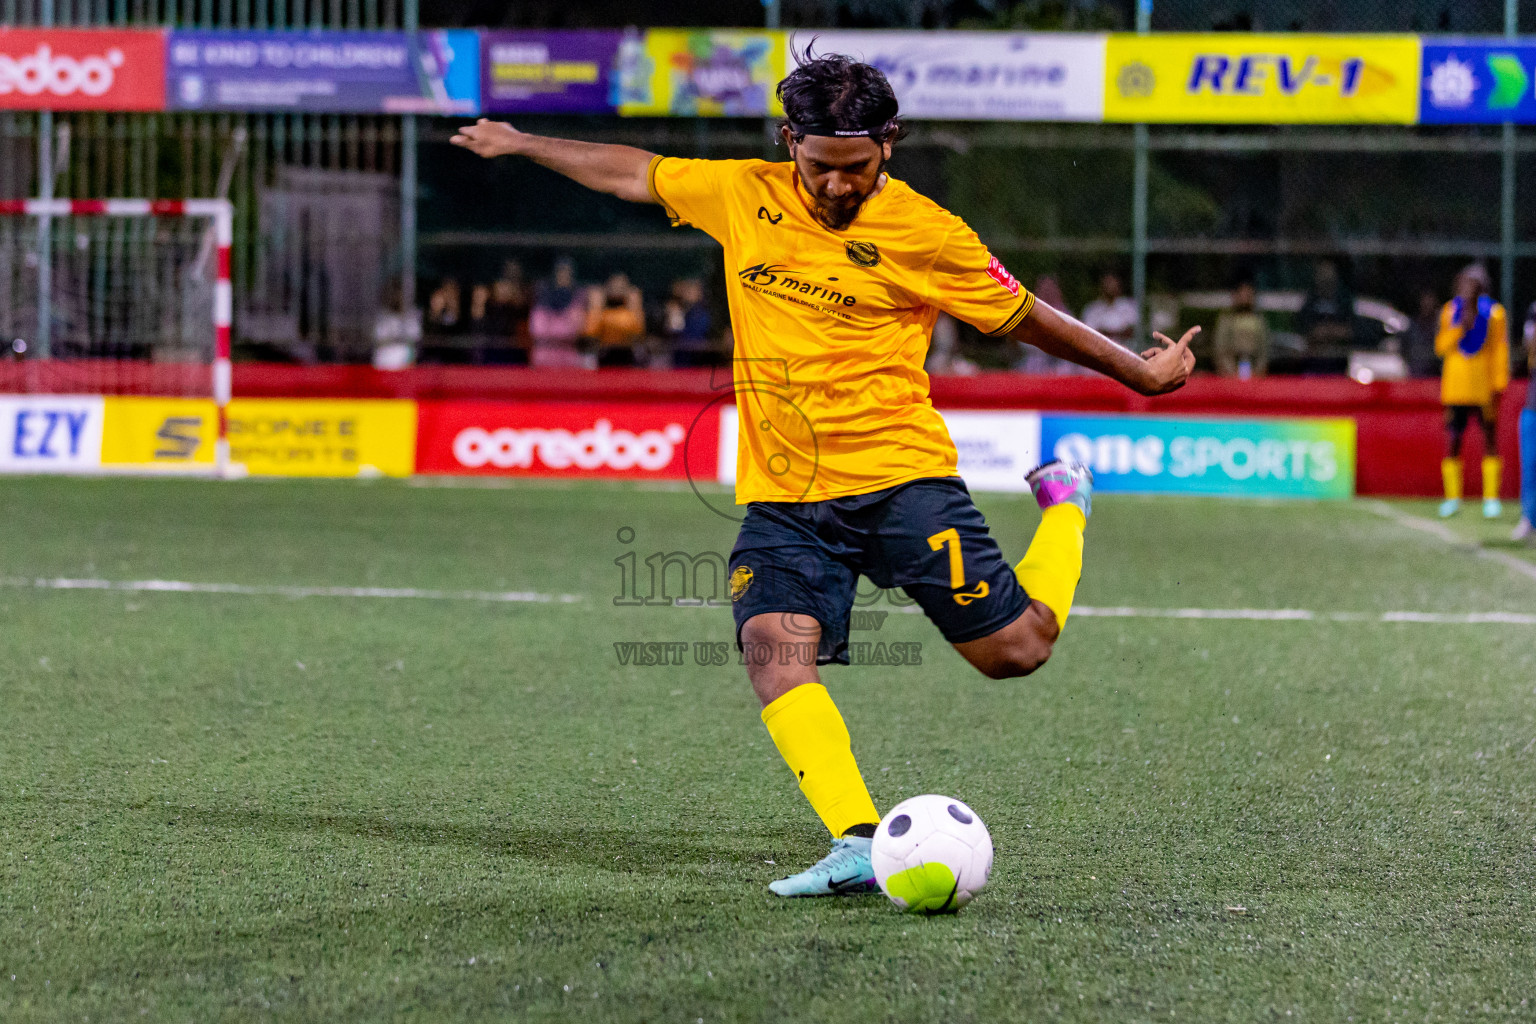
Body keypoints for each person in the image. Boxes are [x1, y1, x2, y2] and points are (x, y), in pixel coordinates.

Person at [452, 51, 1196, 898]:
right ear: (789, 142)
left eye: (857, 169)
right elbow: (635, 173)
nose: (837, 187)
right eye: (819, 169)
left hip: (899, 475)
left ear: (889, 143)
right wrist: (520, 142)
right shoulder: (743, 194)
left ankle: (1066, 503)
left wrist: (1134, 373)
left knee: (1016, 652)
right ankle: (854, 837)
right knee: (773, 647)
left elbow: (1025, 315)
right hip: (785, 494)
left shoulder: (930, 231)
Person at [1435, 263, 1509, 519]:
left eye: (1473, 284)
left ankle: (1491, 498)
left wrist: (1499, 383)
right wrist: (1459, 328)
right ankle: (1452, 498)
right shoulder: (1450, 311)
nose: (1468, 288)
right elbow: (1441, 347)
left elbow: (1500, 349)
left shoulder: (1495, 313)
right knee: (1454, 439)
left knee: (1489, 438)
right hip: (1456, 386)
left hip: (1482, 386)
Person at [528, 258, 592, 370]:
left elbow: (578, 330)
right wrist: (562, 327)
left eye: (567, 273)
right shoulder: (543, 298)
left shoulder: (578, 298)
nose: (563, 276)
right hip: (544, 355)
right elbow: (537, 330)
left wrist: (558, 328)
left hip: (569, 355)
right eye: (560, 272)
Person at [469, 261, 530, 365]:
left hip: (512, 358)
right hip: (489, 358)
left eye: (506, 285)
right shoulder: (488, 308)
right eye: (500, 284)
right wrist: (479, 305)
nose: (503, 289)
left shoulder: (515, 308)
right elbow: (478, 335)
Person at [1212, 279, 1269, 379]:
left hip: (1254, 367)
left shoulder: (1258, 320)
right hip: (1231, 368)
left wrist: (1258, 370)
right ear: (1235, 296)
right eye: (1242, 294)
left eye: (1248, 294)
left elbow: (1264, 349)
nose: (1245, 297)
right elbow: (1221, 348)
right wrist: (1230, 371)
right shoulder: (1227, 319)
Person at [588, 271, 646, 367]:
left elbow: (638, 332)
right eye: (614, 286)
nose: (617, 290)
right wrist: (595, 307)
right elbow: (590, 333)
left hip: (626, 355)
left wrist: (635, 305)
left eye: (621, 287)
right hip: (606, 354)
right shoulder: (601, 313)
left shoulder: (631, 313)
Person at [1297, 260, 1356, 355]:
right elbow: (1305, 328)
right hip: (1314, 356)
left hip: (1340, 356)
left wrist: (1334, 331)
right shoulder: (1309, 302)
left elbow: (1351, 329)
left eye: (1329, 280)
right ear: (1316, 279)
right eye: (1323, 279)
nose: (1326, 283)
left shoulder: (1345, 302)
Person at [1515, 302, 1536, 542]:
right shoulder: (1533, 311)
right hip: (1533, 404)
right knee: (1530, 466)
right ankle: (1529, 518)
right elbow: (1530, 347)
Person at [663, 277, 716, 368]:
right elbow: (673, 331)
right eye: (688, 291)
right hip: (679, 359)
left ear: (699, 293)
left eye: (692, 290)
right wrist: (674, 315)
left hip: (697, 359)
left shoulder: (702, 313)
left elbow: (698, 333)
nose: (689, 293)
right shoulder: (680, 310)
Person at [1079, 270, 1137, 349]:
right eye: (1107, 284)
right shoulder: (1092, 309)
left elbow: (1131, 331)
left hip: (1126, 351)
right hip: (1099, 350)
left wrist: (1106, 332)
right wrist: (1118, 332)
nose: (1110, 287)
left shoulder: (1128, 306)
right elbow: (1089, 333)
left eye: (1112, 283)